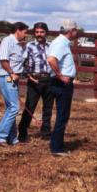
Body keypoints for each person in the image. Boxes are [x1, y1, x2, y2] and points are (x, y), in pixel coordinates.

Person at [0, 22, 28, 146]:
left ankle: (11, 137)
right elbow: (3, 60)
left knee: (10, 107)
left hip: (12, 77)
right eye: (24, 31)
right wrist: (12, 73)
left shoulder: (18, 45)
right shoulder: (7, 41)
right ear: (18, 30)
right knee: (14, 107)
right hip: (7, 76)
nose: (25, 34)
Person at [47, 20, 79, 156]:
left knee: (62, 114)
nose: (77, 32)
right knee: (62, 114)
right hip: (62, 83)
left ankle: (57, 143)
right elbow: (51, 59)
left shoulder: (61, 42)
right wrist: (60, 75)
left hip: (61, 82)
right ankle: (56, 147)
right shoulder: (61, 43)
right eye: (75, 30)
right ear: (70, 31)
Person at [18, 22, 54, 142]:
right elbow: (22, 63)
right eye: (37, 32)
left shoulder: (51, 46)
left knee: (48, 108)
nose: (39, 34)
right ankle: (22, 133)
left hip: (49, 79)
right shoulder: (29, 46)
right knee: (30, 106)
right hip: (35, 79)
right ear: (34, 33)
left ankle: (46, 133)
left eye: (42, 32)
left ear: (46, 33)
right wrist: (28, 76)